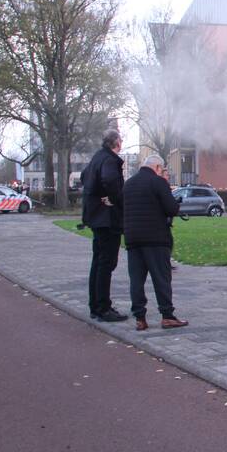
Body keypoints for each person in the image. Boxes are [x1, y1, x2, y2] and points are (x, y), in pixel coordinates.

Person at [122, 155, 188, 331]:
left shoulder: (128, 184)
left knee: (136, 279)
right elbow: (171, 208)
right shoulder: (158, 183)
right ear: (158, 167)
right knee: (161, 278)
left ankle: (140, 318)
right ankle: (167, 315)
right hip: (156, 237)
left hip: (132, 238)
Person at [80, 129, 128, 322]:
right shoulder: (109, 160)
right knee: (106, 263)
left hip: (96, 217)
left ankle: (96, 305)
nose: (122, 142)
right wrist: (115, 200)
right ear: (116, 142)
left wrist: (97, 194)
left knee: (98, 262)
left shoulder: (97, 158)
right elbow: (109, 180)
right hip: (107, 219)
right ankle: (103, 307)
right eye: (121, 139)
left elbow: (85, 176)